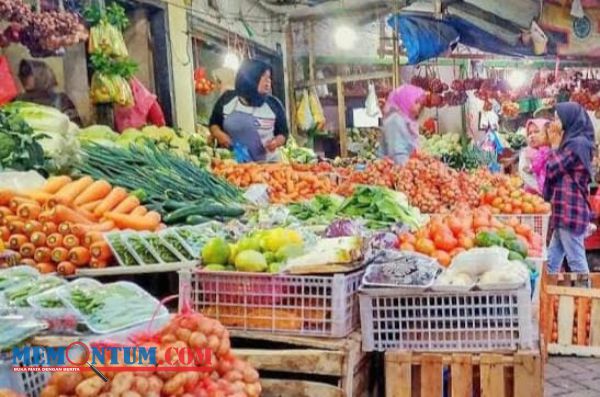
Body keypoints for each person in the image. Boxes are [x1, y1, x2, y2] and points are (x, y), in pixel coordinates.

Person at [544, 102, 596, 274]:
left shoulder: (577, 144)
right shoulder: (572, 143)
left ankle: (586, 298)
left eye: (558, 118)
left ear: (569, 119)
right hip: (564, 212)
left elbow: (553, 168)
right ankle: (545, 296)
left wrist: (554, 146)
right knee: (551, 260)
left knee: (576, 261)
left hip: (570, 211)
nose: (555, 122)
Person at [209, 59, 288, 162]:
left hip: (269, 166)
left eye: (269, 78)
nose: (268, 82)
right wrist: (219, 135)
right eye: (263, 77)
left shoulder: (274, 104)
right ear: (250, 79)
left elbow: (283, 133)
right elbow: (214, 123)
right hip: (233, 165)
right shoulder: (227, 99)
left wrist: (276, 142)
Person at [16, 59, 81, 124]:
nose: (24, 78)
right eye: (22, 75)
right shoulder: (18, 101)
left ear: (40, 75)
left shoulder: (60, 100)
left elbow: (76, 127)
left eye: (28, 74)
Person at [379, 84, 426, 165]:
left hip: (406, 170)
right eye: (416, 102)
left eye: (420, 104)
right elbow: (397, 155)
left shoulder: (406, 120)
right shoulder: (394, 121)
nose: (419, 107)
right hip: (398, 173)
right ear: (405, 100)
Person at [519, 119, 551, 194]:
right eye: (529, 133)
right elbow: (526, 176)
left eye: (536, 132)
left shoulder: (554, 151)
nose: (532, 136)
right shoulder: (526, 153)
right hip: (532, 197)